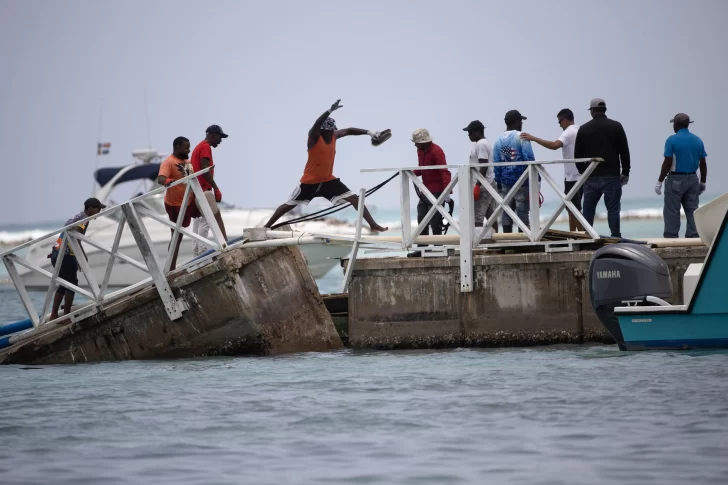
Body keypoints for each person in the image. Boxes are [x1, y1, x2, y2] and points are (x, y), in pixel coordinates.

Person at [264, 100, 388, 232]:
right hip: (309, 182)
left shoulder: (333, 136)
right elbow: (317, 123)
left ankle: (373, 225)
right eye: (329, 131)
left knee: (355, 199)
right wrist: (329, 111)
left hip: (328, 180)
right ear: (322, 131)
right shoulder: (313, 139)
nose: (332, 134)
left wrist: (370, 132)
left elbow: (349, 130)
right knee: (287, 206)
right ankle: (266, 227)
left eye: (333, 131)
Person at [574, 98, 631, 238]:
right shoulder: (616, 126)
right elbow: (624, 152)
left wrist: (584, 172)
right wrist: (625, 172)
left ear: (592, 111)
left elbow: (578, 156)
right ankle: (616, 236)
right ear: (605, 110)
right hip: (612, 175)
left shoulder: (584, 128)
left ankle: (587, 236)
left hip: (591, 176)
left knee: (588, 210)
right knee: (613, 210)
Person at [521, 109, 584, 232]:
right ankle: (574, 233)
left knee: (573, 207)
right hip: (582, 173)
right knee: (571, 206)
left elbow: (554, 145)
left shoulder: (568, 132)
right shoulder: (580, 129)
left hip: (573, 175)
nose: (560, 125)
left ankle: (582, 234)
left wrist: (533, 138)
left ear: (564, 120)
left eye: (560, 122)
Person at [48, 198, 106, 321]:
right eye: (97, 208)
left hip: (57, 252)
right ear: (89, 208)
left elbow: (71, 238)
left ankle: (54, 315)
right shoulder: (82, 220)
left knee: (65, 284)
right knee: (72, 284)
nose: (99, 211)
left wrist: (80, 256)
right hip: (66, 254)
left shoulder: (79, 217)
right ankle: (67, 317)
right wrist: (82, 257)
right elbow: (76, 240)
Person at [654, 113, 708, 238]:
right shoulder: (697, 140)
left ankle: (671, 237)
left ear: (676, 125)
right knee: (692, 210)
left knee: (672, 210)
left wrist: (659, 181)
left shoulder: (671, 140)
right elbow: (703, 163)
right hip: (693, 178)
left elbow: (667, 162)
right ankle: (693, 236)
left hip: (675, 179)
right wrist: (703, 181)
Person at [492, 110, 535, 232]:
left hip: (505, 181)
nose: (522, 123)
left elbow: (496, 163)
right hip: (522, 180)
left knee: (506, 210)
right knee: (522, 209)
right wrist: (537, 180)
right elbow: (530, 159)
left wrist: (499, 181)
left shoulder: (498, 140)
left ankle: (507, 238)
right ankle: (525, 237)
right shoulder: (521, 136)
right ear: (516, 121)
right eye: (521, 121)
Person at [410, 128, 451, 253]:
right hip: (425, 191)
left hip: (437, 191)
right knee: (421, 218)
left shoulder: (436, 151)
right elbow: (422, 169)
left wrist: (447, 192)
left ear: (423, 141)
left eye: (416, 142)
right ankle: (423, 249)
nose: (415, 144)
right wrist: (411, 173)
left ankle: (437, 248)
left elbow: (444, 172)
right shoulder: (420, 151)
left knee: (435, 221)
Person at [190, 125, 229, 256]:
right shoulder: (205, 147)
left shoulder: (198, 147)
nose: (220, 141)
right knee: (208, 220)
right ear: (212, 135)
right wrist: (216, 189)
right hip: (204, 189)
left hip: (197, 190)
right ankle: (202, 252)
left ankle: (197, 251)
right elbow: (204, 170)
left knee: (199, 221)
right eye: (219, 137)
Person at [157, 136, 194, 270]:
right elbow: (161, 179)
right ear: (177, 147)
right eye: (186, 148)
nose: (189, 150)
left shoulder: (187, 161)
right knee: (176, 236)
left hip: (188, 202)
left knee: (181, 234)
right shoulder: (169, 162)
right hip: (175, 204)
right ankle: (170, 268)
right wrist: (168, 182)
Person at [463, 120, 497, 239]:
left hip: (484, 186)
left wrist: (478, 185)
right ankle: (495, 241)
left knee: (477, 216)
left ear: (477, 132)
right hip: (487, 184)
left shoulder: (481, 144)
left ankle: (478, 245)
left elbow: (484, 165)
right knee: (490, 214)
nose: (469, 135)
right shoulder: (481, 144)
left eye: (470, 132)